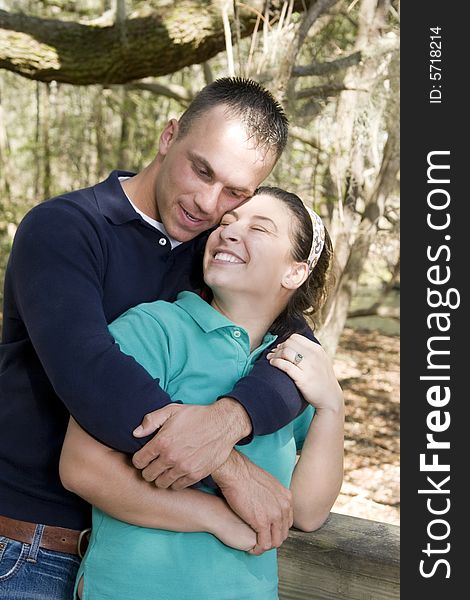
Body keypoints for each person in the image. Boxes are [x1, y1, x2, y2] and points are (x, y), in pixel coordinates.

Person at [0, 78, 341, 598]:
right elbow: (94, 374)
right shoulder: (65, 229)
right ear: (168, 136)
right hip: (28, 542)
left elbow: (293, 347)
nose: (208, 204)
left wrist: (233, 417)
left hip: (123, 543)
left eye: (235, 194)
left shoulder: (211, 252)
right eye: (201, 170)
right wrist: (227, 468)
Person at [60, 187, 344, 600]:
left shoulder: (289, 367)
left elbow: (307, 512)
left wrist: (331, 405)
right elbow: (83, 469)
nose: (228, 232)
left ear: (295, 273)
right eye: (227, 223)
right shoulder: (153, 328)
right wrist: (215, 516)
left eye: (259, 228)